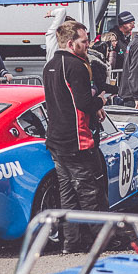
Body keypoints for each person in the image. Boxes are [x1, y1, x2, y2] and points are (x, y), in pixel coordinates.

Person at [42, 20, 107, 253]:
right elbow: (85, 103)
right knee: (89, 193)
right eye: (84, 41)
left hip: (57, 140)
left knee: (68, 194)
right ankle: (98, 241)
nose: (88, 45)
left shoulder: (50, 64)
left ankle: (71, 242)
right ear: (70, 43)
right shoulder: (76, 66)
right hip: (76, 140)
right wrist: (101, 100)